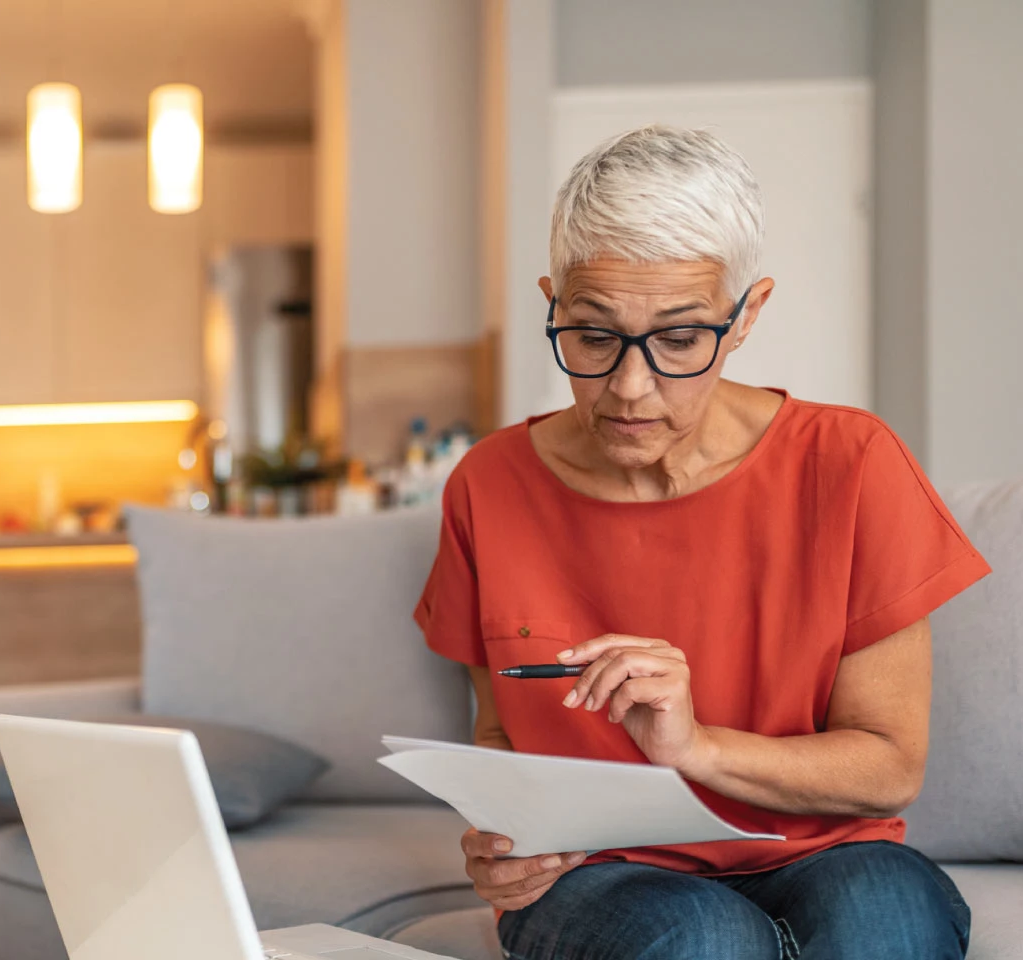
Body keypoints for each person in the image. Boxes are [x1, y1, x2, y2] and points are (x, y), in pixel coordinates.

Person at [413, 125, 987, 960]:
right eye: (593, 334)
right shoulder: (489, 484)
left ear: (747, 315)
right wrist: (502, 840)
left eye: (680, 339)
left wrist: (696, 749)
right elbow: (500, 735)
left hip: (823, 851)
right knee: (699, 938)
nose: (629, 387)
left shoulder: (852, 463)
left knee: (886, 923)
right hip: (599, 873)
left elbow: (890, 765)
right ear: (553, 302)